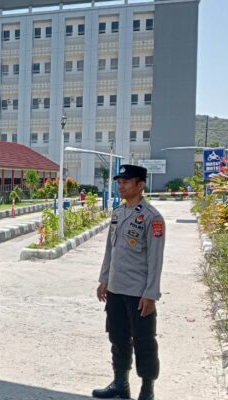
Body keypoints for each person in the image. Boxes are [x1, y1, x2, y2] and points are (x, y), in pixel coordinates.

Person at [93, 164, 165, 400]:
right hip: (115, 288)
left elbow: (155, 260)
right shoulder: (118, 212)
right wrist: (104, 279)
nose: (120, 185)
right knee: (118, 338)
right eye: (119, 181)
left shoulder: (152, 218)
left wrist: (151, 294)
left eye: (126, 181)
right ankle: (121, 384)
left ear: (140, 185)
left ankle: (147, 389)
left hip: (138, 292)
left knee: (144, 341)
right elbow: (110, 250)